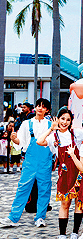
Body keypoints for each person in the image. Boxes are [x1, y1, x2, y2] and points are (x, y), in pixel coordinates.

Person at [0, 98, 52, 228]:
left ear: (47, 110)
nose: (40, 108)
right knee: (23, 188)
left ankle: (40, 217)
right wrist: (14, 139)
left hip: (45, 162)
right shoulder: (26, 124)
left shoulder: (51, 125)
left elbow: (54, 145)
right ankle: (13, 217)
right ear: (35, 108)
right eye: (38, 105)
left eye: (43, 106)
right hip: (30, 161)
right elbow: (20, 142)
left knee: (44, 190)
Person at [36, 107, 83, 239]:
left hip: (79, 172)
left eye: (68, 119)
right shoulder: (53, 137)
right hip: (64, 174)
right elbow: (39, 141)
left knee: (78, 204)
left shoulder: (77, 134)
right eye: (62, 118)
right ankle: (62, 235)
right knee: (65, 204)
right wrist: (52, 128)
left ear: (71, 122)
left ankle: (75, 234)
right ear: (57, 119)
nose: (65, 122)